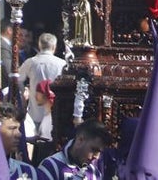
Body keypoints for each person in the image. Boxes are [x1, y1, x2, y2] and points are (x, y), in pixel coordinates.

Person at [18, 32, 67, 161]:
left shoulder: (31, 62)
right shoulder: (62, 64)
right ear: (54, 47)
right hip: (52, 109)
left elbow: (17, 79)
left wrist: (25, 91)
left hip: (36, 109)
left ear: (39, 46)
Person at [36, 120, 111, 180]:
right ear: (80, 140)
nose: (97, 157)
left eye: (99, 152)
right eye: (94, 150)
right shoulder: (51, 166)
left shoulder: (94, 172)